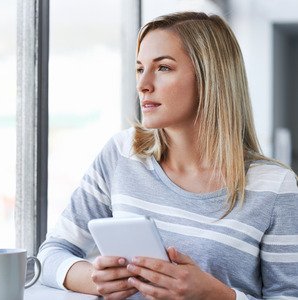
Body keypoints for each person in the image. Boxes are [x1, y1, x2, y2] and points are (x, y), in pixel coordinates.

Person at [37, 11, 298, 300]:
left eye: (163, 68)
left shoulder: (274, 186)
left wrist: (218, 296)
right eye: (139, 69)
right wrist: (95, 279)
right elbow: (52, 254)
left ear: (210, 77)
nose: (143, 84)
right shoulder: (123, 153)